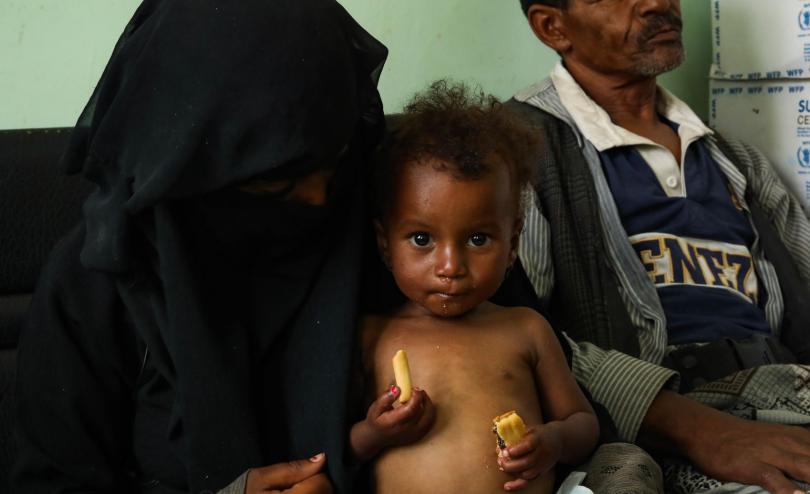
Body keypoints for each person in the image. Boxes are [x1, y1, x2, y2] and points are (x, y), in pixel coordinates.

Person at [13, 0, 388, 492]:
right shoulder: (101, 278)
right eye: (276, 183)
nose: (319, 198)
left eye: (333, 160)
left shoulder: (399, 228)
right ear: (190, 167)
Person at [510, 1, 810, 493]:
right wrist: (703, 431)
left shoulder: (735, 159)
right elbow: (511, 336)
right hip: (651, 434)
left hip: (782, 395)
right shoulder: (517, 153)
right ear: (552, 26)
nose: (656, 2)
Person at [349, 81, 600, 494]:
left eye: (478, 239)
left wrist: (553, 442)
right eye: (422, 239)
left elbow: (583, 424)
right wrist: (375, 433)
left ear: (513, 243)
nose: (451, 267)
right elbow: (343, 449)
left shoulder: (525, 329)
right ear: (384, 244)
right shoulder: (372, 335)